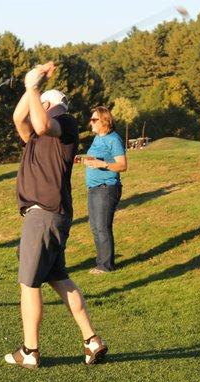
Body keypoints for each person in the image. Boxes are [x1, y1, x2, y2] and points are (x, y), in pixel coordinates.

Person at [5, 62, 108, 369]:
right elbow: (19, 118)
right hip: (49, 214)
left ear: (48, 105)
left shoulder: (64, 123)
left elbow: (40, 123)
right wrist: (30, 86)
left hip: (44, 213)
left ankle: (30, 351)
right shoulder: (37, 137)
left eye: (40, 102)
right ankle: (92, 341)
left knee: (29, 283)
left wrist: (33, 88)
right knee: (59, 279)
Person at [82, 106, 127, 274]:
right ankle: (100, 262)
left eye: (94, 120)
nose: (91, 122)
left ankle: (106, 266)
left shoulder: (113, 139)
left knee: (102, 227)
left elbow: (122, 165)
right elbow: (96, 158)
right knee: (95, 227)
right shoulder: (97, 138)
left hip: (106, 188)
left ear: (104, 121)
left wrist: (103, 164)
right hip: (93, 188)